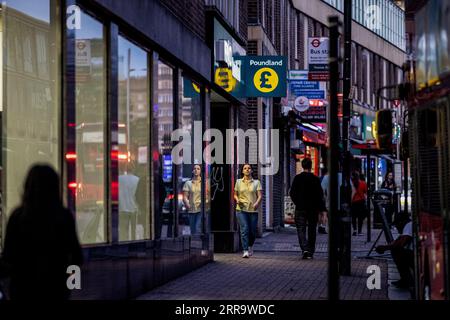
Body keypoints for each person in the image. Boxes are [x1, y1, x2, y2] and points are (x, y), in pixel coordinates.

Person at [0, 164, 83, 300]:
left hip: (23, 290)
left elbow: (9, 258)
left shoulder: (18, 217)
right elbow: (76, 257)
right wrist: (72, 285)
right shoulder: (63, 217)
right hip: (55, 289)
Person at [289, 158, 327, 260]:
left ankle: (304, 249)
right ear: (311, 166)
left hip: (300, 208)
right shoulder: (315, 179)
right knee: (312, 229)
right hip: (313, 209)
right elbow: (320, 195)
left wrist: (298, 202)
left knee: (300, 229)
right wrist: (322, 210)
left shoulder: (297, 178)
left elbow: (292, 193)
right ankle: (310, 251)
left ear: (302, 165)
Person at [376, 211, 414, 289]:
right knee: (396, 250)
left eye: (397, 225)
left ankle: (406, 280)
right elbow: (397, 241)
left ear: (401, 222)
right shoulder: (407, 227)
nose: (396, 227)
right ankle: (406, 279)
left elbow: (401, 242)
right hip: (413, 254)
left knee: (397, 252)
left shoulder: (409, 225)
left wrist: (385, 248)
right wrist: (385, 247)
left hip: (414, 255)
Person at [234, 163, 262, 258]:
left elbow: (260, 196)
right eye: (245, 168)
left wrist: (256, 203)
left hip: (253, 210)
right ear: (242, 171)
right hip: (241, 210)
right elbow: (235, 194)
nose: (247, 170)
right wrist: (237, 200)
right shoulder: (238, 182)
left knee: (253, 231)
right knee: (244, 229)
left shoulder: (256, 182)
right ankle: (245, 250)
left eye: (249, 168)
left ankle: (250, 245)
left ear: (251, 170)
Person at [119, 162, 140, 241]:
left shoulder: (120, 178)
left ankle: (125, 244)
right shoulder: (137, 179)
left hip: (122, 208)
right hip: (133, 208)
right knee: (133, 229)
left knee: (124, 230)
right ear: (133, 169)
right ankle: (133, 243)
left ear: (126, 169)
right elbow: (138, 195)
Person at [183, 164, 203, 235]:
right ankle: (195, 245)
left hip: (201, 209)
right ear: (192, 171)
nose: (196, 170)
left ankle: (200, 245)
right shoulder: (188, 183)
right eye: (195, 168)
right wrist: (188, 205)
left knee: (198, 228)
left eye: (198, 169)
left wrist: (205, 203)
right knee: (193, 230)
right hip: (192, 210)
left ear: (200, 171)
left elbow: (208, 196)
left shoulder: (204, 183)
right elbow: (185, 197)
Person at [351, 171, 368, 236]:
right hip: (361, 202)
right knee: (360, 217)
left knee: (354, 217)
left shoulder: (351, 183)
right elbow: (365, 193)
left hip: (354, 202)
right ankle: (359, 231)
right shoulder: (363, 183)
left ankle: (354, 230)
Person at [318, 167, 329, 234]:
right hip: (323, 198)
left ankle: (319, 226)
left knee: (319, 213)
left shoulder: (319, 178)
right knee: (324, 213)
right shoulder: (326, 179)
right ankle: (323, 227)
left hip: (318, 198)